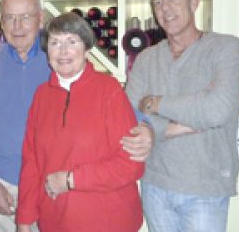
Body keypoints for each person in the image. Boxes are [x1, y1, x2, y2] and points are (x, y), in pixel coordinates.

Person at [0, 0, 153, 232]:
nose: (17, 25)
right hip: (6, 186)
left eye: (25, 16)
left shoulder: (60, 59)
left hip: (62, 192)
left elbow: (113, 103)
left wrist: (146, 127)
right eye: (9, 18)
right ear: (1, 22)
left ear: (40, 18)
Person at [125, 0, 239, 232]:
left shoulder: (227, 48)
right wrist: (177, 126)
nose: (165, 8)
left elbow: (216, 110)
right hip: (154, 185)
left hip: (205, 188)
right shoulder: (146, 58)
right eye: (157, 2)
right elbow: (128, 115)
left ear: (193, 2)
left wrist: (154, 103)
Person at [16, 12, 144, 232]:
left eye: (72, 42)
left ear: (86, 49)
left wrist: (71, 180)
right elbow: (32, 162)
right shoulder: (41, 96)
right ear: (48, 52)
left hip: (109, 222)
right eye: (55, 43)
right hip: (55, 222)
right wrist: (24, 219)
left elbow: (131, 165)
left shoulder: (109, 91)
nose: (63, 51)